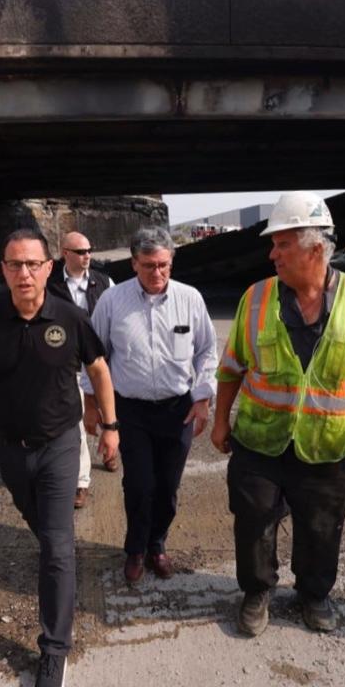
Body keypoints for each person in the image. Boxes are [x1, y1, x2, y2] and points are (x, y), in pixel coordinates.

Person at [211, 191, 345, 637]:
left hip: (326, 446)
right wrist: (220, 419)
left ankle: (314, 593)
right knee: (253, 519)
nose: (272, 254)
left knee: (322, 525)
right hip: (260, 440)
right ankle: (256, 590)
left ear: (315, 249)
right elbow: (231, 368)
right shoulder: (258, 298)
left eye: (282, 244)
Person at [0, 228, 119, 687]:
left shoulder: (69, 316)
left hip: (61, 444)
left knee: (57, 546)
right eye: (14, 264)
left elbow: (99, 370)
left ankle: (54, 649)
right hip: (10, 447)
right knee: (42, 528)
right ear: (3, 270)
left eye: (32, 264)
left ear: (49, 267)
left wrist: (110, 427)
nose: (23, 273)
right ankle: (54, 556)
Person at [82, 228, 217, 583]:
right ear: (134, 263)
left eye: (163, 265)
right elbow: (94, 356)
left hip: (178, 409)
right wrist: (92, 403)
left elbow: (206, 351)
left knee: (168, 486)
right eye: (148, 266)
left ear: (171, 262)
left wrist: (202, 396)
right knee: (140, 484)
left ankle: (158, 544)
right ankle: (135, 549)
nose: (157, 274)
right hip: (132, 409)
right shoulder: (113, 302)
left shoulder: (190, 299)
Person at [46, 231, 116, 509]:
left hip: (101, 362)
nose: (87, 255)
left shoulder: (106, 282)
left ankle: (110, 451)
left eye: (89, 250)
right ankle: (81, 481)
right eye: (81, 251)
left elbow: (117, 313)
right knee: (77, 421)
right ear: (65, 253)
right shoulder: (50, 286)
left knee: (109, 411)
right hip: (69, 364)